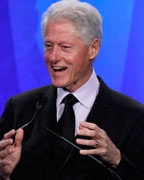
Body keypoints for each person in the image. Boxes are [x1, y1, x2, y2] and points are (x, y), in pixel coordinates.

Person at [0, 0, 144, 179]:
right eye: (48, 45)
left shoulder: (133, 116)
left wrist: (117, 159)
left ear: (93, 48)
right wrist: (4, 175)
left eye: (65, 47)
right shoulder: (20, 108)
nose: (53, 57)